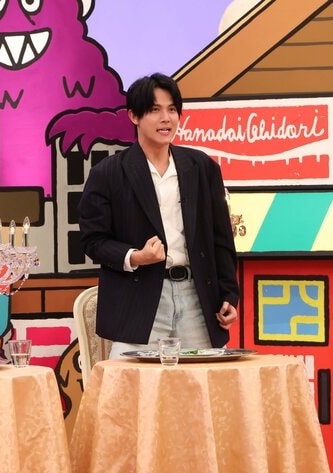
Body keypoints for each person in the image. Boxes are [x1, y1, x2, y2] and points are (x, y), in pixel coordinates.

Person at [77, 73, 239, 358]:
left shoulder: (202, 168)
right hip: (138, 300)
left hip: (197, 298)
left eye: (172, 110)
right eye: (154, 110)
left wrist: (228, 295)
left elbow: (221, 239)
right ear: (134, 116)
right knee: (134, 383)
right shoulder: (108, 173)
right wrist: (136, 257)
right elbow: (93, 240)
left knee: (202, 380)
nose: (166, 119)